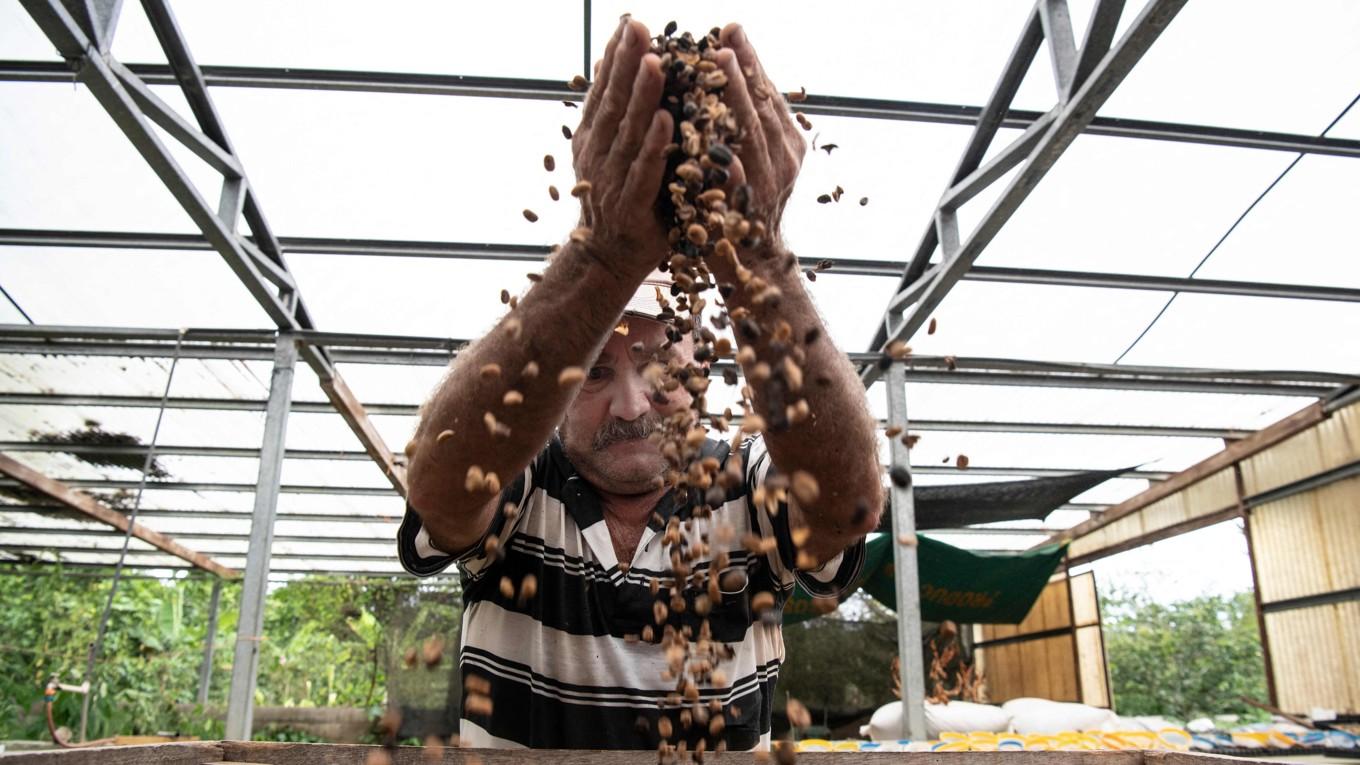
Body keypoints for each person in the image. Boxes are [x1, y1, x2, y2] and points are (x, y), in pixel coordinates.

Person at [397, 17, 882, 751]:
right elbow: (439, 488)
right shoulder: (525, 480)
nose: (629, 404)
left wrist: (757, 254)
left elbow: (845, 507)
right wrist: (602, 255)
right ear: (554, 386)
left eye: (660, 366)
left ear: (709, 363)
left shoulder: (745, 485)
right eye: (592, 371)